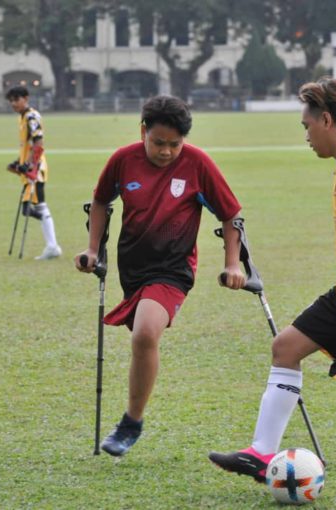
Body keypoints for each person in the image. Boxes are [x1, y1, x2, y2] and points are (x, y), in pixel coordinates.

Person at [208, 78, 336, 482]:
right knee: (285, 347)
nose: (305, 135)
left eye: (306, 125)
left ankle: (263, 453)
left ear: (326, 119)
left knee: (286, 348)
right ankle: (260, 455)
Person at [75, 95, 246, 457]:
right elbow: (102, 201)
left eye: (175, 144)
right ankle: (132, 420)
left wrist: (233, 264)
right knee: (141, 334)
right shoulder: (123, 160)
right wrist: (93, 249)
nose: (167, 152)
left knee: (145, 333)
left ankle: (131, 422)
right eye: (158, 143)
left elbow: (231, 215)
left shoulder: (198, 164)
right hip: (132, 269)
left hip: (173, 269)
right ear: (143, 132)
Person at [5, 85, 62, 260]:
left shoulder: (32, 116)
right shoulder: (22, 118)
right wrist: (19, 163)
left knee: (33, 207)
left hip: (36, 169)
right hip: (30, 168)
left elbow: (38, 143)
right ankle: (52, 245)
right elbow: (28, 146)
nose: (14, 103)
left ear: (26, 98)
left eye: (17, 99)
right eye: (11, 101)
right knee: (34, 207)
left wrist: (30, 165)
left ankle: (53, 246)